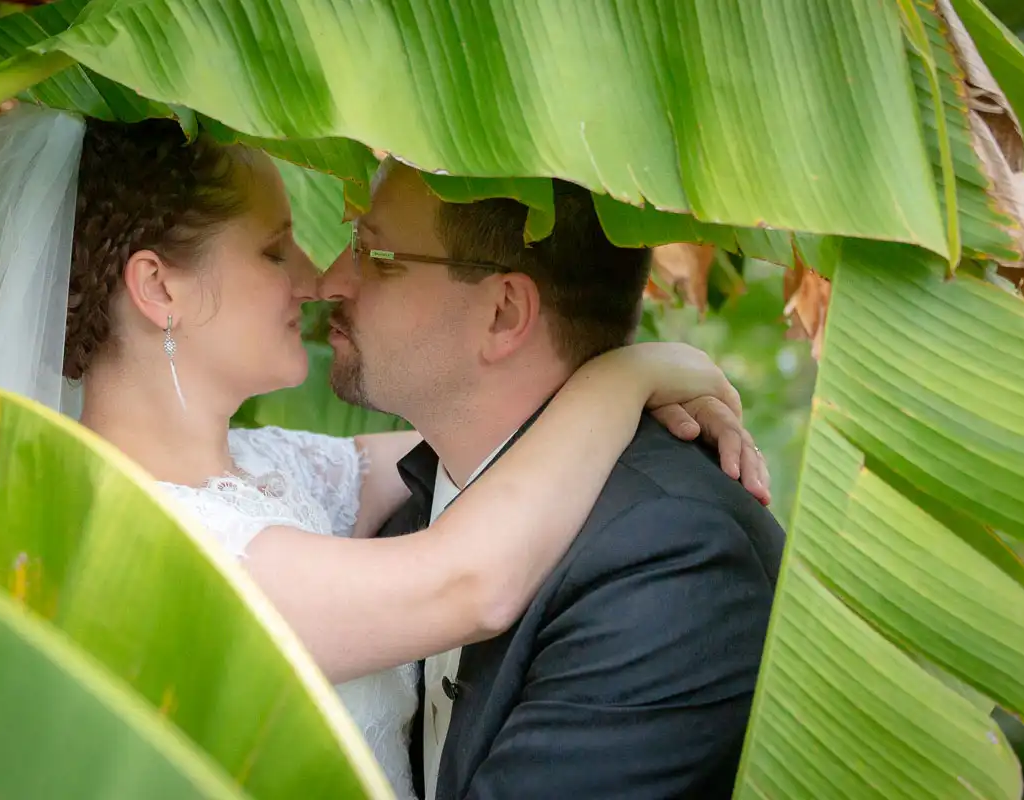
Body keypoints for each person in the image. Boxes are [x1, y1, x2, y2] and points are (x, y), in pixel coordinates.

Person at [0, 105, 769, 799]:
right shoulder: (147, 541)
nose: (316, 279)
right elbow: (470, 578)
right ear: (160, 289)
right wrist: (630, 373)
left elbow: (477, 442)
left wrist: (626, 388)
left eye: (368, 252)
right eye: (275, 251)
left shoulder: (276, 471)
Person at [318, 160, 787, 799]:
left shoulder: (672, 556)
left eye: (373, 253)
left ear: (504, 313)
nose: (329, 281)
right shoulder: (416, 506)